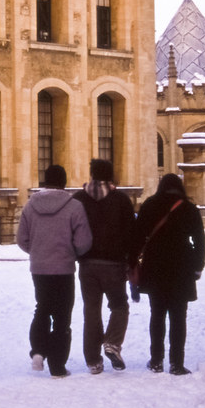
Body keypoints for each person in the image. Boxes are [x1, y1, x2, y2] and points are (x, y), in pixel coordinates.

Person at [16, 164, 92, 378]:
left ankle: (38, 350)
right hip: (64, 267)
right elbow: (84, 241)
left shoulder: (30, 205)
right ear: (64, 182)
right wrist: (71, 252)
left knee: (42, 308)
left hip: (39, 268)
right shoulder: (75, 206)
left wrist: (38, 251)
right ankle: (57, 365)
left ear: (44, 181)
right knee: (62, 316)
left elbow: (21, 239)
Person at [130, 172, 205, 376]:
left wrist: (132, 264)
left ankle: (156, 360)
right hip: (182, 267)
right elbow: (199, 241)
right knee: (179, 318)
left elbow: (138, 237)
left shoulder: (149, 205)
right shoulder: (188, 208)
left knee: (157, 315)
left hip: (155, 267)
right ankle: (177, 363)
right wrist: (198, 267)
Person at [73, 158, 136, 374]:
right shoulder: (121, 199)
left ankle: (93, 361)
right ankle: (113, 342)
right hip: (114, 264)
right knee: (119, 306)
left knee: (91, 311)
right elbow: (131, 233)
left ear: (91, 174)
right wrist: (131, 259)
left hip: (87, 264)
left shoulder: (78, 198)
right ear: (110, 175)